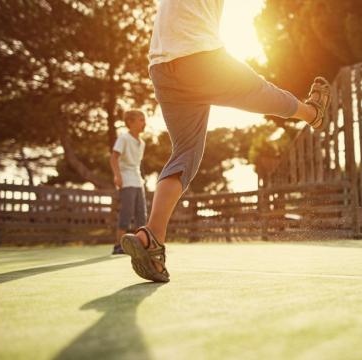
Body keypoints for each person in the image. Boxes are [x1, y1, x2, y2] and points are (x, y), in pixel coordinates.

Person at [120, 0, 331, 282]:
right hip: (201, 56)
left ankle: (152, 236)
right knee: (260, 92)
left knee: (184, 154)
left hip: (161, 66)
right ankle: (312, 114)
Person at [110, 110, 148, 254]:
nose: (144, 123)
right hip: (126, 179)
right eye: (140, 119)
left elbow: (138, 164)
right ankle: (118, 245)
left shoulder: (142, 142)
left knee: (141, 214)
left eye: (144, 120)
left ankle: (141, 244)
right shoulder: (124, 138)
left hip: (138, 181)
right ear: (130, 122)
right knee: (126, 212)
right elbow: (113, 158)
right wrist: (117, 176)